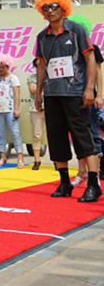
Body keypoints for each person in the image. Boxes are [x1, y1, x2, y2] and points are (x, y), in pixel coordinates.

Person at [34, 0, 100, 202]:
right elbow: (42, 65)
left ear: (64, 8)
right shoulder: (41, 37)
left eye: (55, 6)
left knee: (83, 137)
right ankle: (64, 182)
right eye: (46, 7)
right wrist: (39, 92)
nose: (51, 10)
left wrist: (89, 89)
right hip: (52, 93)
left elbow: (90, 60)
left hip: (75, 92)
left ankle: (92, 183)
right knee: (56, 139)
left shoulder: (76, 30)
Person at [62, 14, 103, 189]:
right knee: (76, 135)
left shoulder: (92, 48)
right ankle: (81, 172)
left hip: (89, 95)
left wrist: (99, 94)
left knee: (92, 134)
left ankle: (97, 174)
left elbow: (98, 73)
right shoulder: (64, 48)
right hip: (70, 95)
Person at [0, 54, 24, 168]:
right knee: (0, 134)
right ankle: (2, 156)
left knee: (15, 133)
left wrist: (17, 109)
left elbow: (17, 94)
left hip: (10, 110)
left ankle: (20, 157)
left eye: (3, 67)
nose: (1, 69)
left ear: (8, 66)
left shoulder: (13, 78)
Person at [26, 58, 45, 170]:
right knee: (36, 135)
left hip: (53, 108)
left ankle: (57, 161)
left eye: (42, 64)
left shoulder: (51, 76)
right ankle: (37, 160)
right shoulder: (32, 77)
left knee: (54, 136)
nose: (40, 67)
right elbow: (32, 90)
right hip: (36, 109)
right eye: (37, 65)